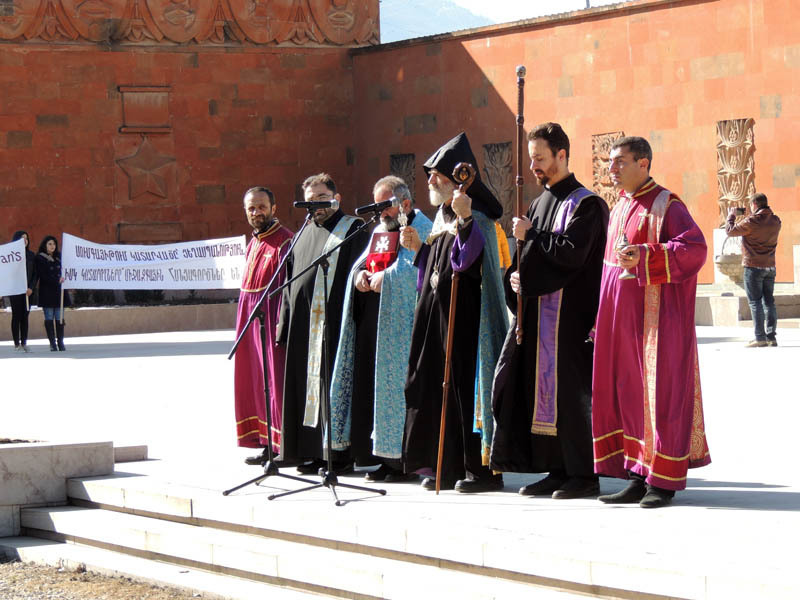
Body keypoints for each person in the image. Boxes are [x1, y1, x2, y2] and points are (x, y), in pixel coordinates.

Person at [490, 123, 609, 499]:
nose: (534, 166)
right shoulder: (538, 204)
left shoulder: (587, 204)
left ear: (561, 155)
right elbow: (528, 257)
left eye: (540, 158)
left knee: (573, 396)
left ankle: (584, 474)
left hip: (573, 319)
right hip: (540, 317)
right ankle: (556, 468)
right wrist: (514, 279)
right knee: (540, 392)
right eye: (531, 159)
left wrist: (533, 236)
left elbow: (572, 254)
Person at [592, 136, 711, 508]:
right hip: (621, 327)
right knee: (628, 396)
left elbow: (695, 249)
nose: (611, 169)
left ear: (643, 163)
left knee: (661, 398)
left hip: (657, 325)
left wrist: (645, 256)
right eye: (610, 162)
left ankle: (664, 481)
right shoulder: (618, 208)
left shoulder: (667, 205)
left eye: (619, 162)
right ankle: (636, 473)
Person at [400, 132, 508, 493]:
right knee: (429, 384)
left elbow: (467, 262)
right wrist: (418, 250)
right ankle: (443, 464)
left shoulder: (475, 217)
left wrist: (465, 223)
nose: (430, 181)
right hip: (436, 318)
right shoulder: (440, 216)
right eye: (430, 174)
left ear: (457, 180)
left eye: (437, 175)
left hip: (466, 321)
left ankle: (479, 469)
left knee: (463, 388)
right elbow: (436, 269)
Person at [330, 175, 433, 482]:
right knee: (373, 389)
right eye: (376, 208)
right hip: (374, 323)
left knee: (400, 392)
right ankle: (382, 458)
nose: (381, 214)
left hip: (406, 329)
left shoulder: (424, 228)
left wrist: (385, 280)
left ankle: (404, 461)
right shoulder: (380, 229)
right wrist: (359, 275)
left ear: (405, 203)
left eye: (385, 207)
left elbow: (414, 271)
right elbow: (364, 263)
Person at [276, 173, 369, 475]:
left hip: (336, 326)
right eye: (310, 198)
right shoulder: (302, 232)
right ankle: (310, 451)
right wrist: (285, 324)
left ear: (336, 197)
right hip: (304, 327)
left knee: (332, 386)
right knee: (305, 387)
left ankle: (336, 454)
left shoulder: (353, 229)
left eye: (321, 196)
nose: (314, 203)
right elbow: (290, 282)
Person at [234, 187, 294, 466]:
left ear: (274, 208)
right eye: (251, 209)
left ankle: (284, 446)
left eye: (261, 207)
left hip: (272, 319)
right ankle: (266, 441)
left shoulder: (285, 241)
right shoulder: (254, 243)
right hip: (250, 320)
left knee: (274, 380)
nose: (256, 213)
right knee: (255, 381)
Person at [724, 193, 781, 347]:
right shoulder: (776, 221)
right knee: (769, 302)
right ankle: (771, 337)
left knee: (755, 302)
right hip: (770, 266)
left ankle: (759, 337)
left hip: (753, 266)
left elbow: (730, 231)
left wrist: (731, 216)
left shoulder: (751, 221)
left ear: (754, 204)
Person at [33, 235, 69, 352]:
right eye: (49, 244)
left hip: (59, 293)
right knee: (49, 318)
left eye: (54, 244)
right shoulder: (40, 258)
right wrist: (56, 280)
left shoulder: (60, 257)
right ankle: (52, 343)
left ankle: (61, 342)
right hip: (47, 292)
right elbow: (42, 275)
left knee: (60, 318)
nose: (52, 246)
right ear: (45, 245)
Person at [8, 231, 36, 353]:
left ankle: (24, 342)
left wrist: (31, 287)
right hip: (15, 290)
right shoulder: (10, 256)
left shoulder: (31, 255)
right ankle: (16, 344)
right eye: (22, 238)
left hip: (27, 291)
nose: (25, 240)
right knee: (16, 316)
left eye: (26, 238)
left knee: (25, 316)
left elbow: (35, 274)